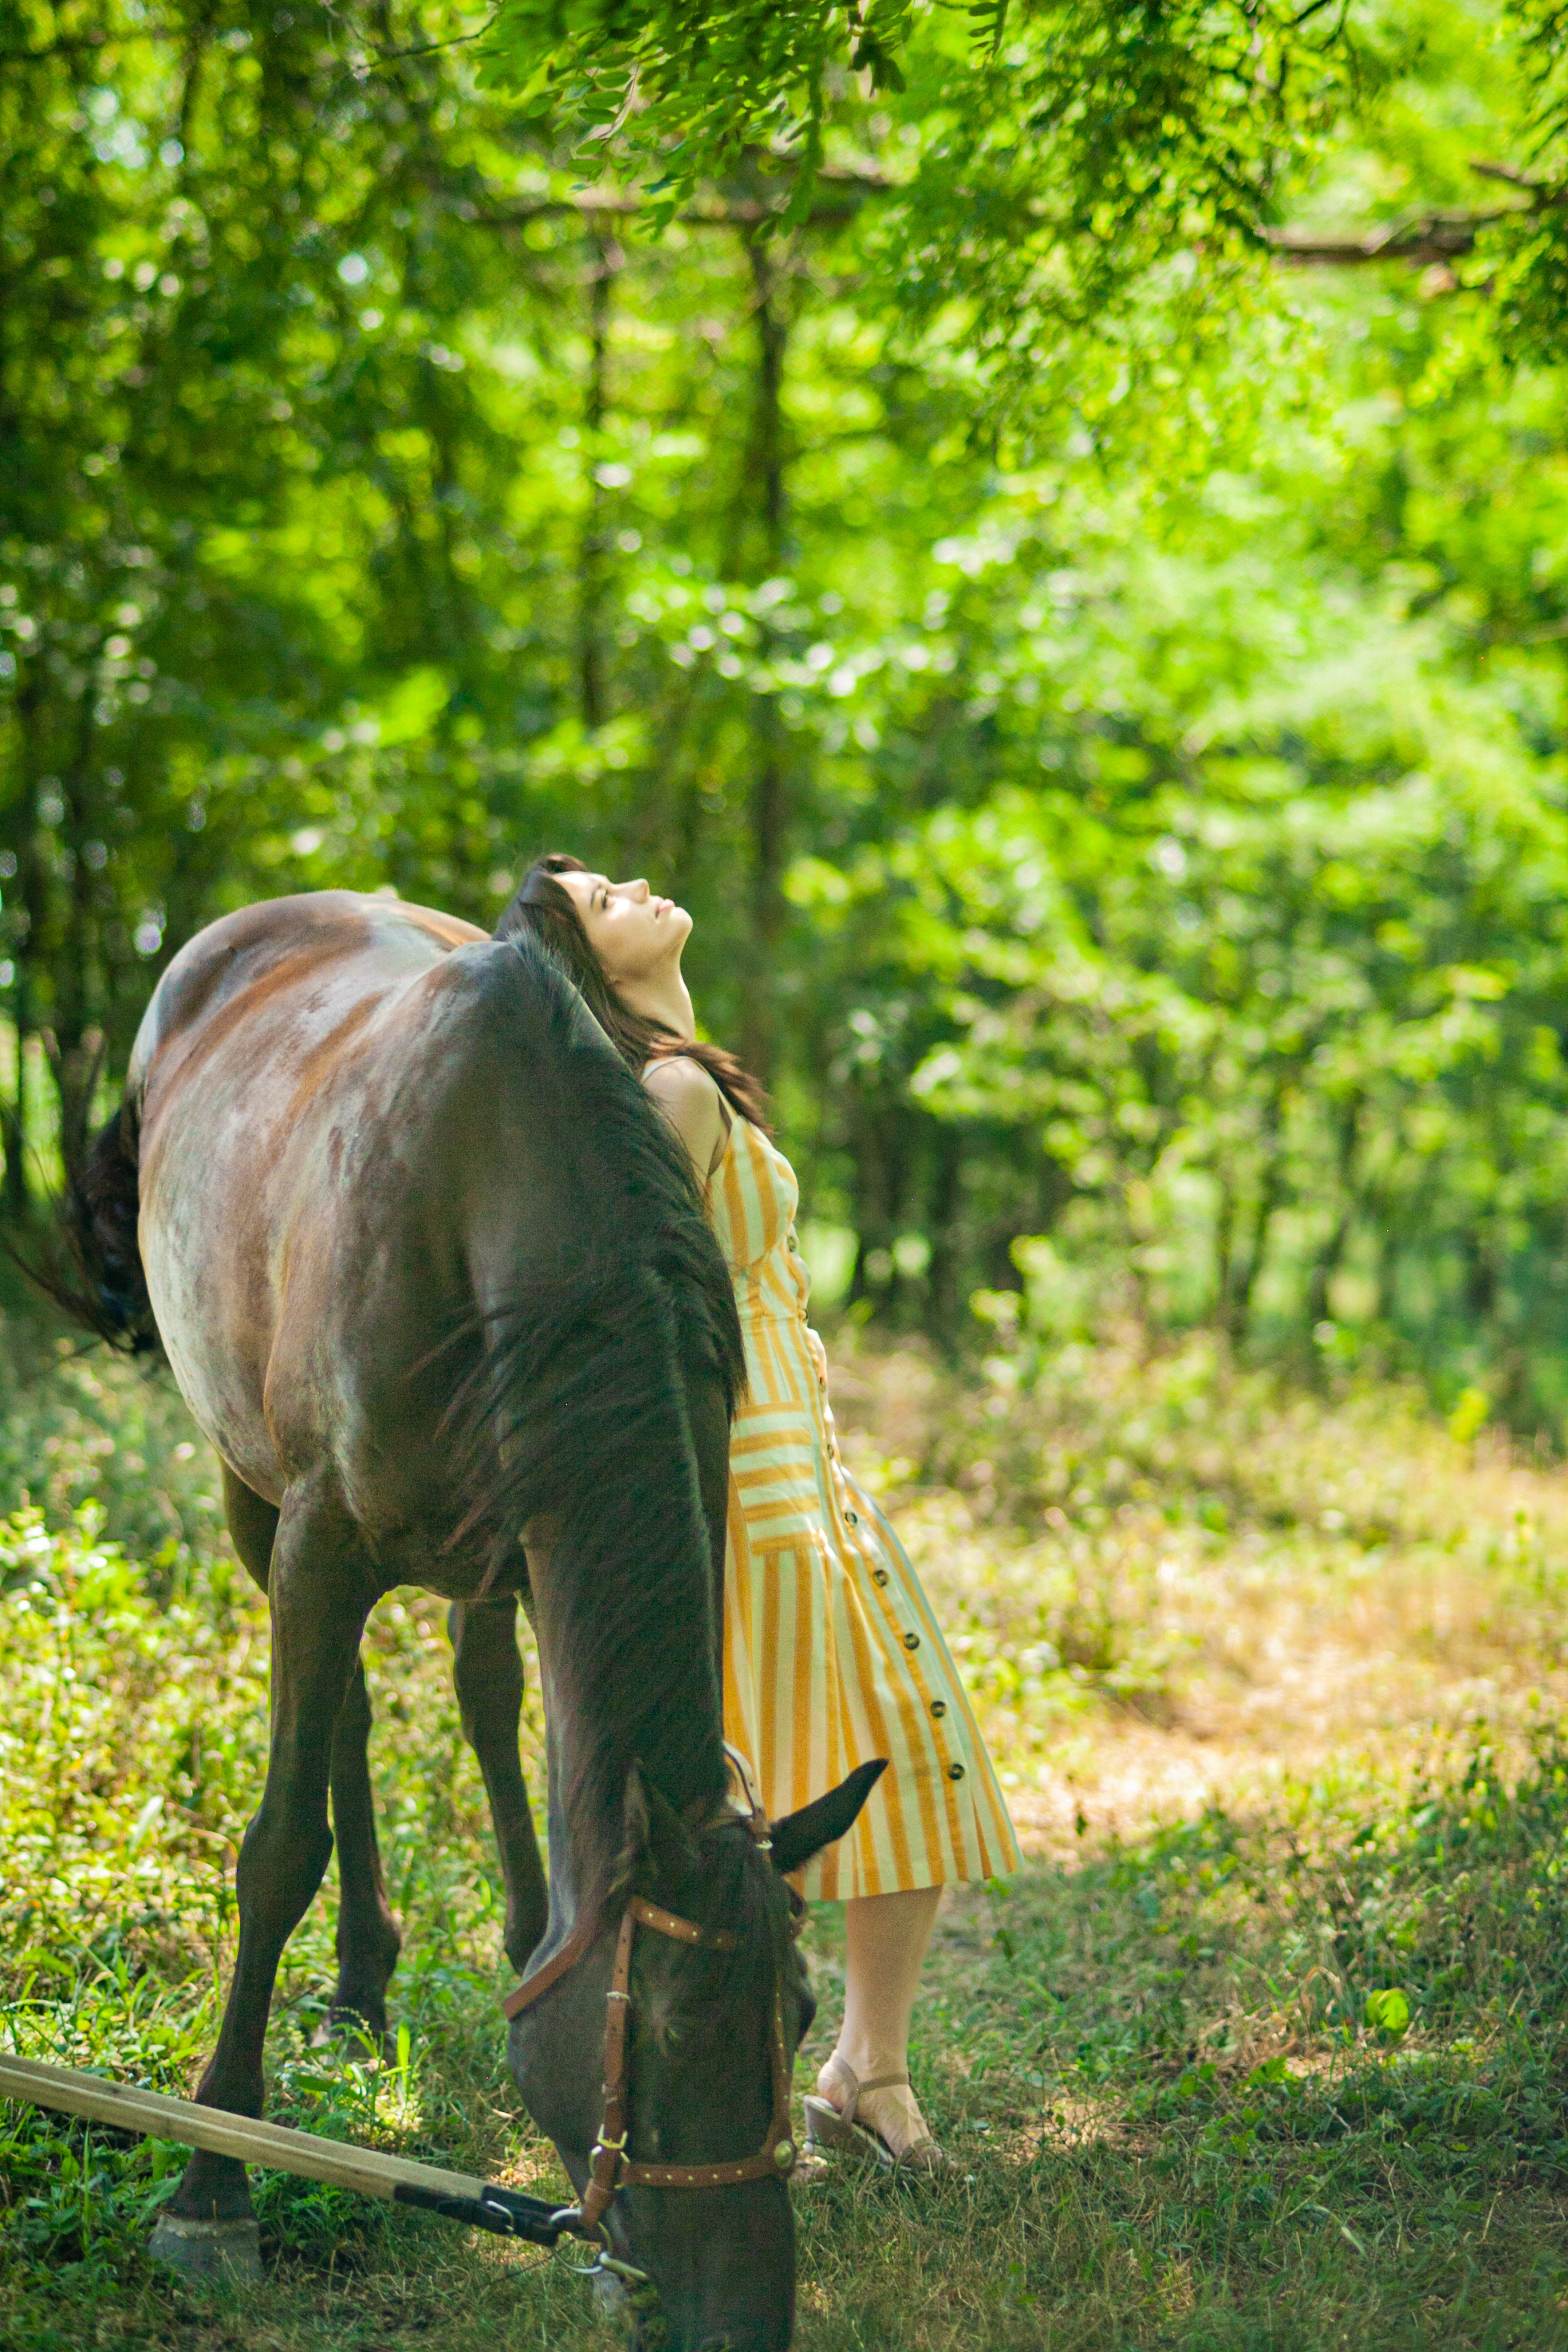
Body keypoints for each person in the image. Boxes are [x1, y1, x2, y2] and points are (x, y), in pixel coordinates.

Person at [497, 855, 1022, 2171]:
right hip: (746, 1473)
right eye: (598, 896)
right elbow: (636, 1302)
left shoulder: (684, 1066)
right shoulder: (665, 1093)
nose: (634, 883)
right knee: (807, 1773)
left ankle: (866, 2071)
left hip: (798, 1457)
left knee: (897, 1747)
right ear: (578, 956)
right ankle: (745, 2088)